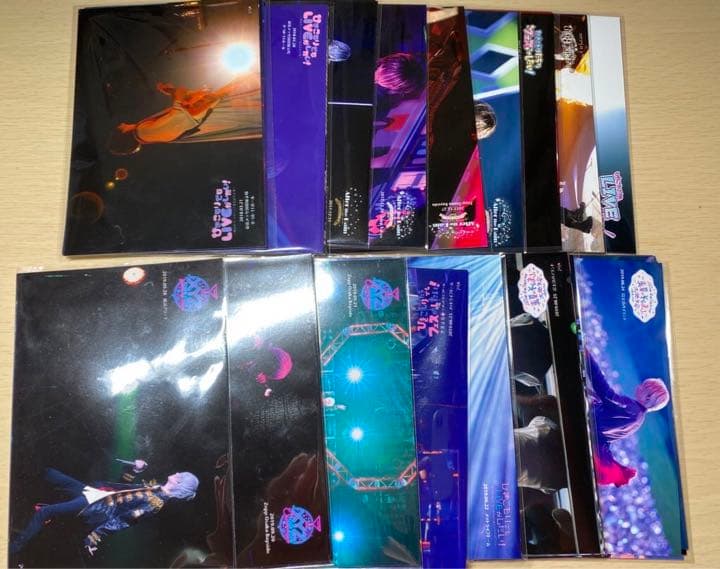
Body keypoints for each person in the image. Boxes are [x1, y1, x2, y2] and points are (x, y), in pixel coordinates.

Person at [10, 460, 199, 557]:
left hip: (96, 505)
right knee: (50, 473)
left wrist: (94, 537)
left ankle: (14, 548)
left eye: (179, 475)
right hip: (97, 493)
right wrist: (134, 470)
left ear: (179, 483)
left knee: (46, 512)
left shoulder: (155, 503)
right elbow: (122, 486)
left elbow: (122, 521)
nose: (176, 473)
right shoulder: (156, 487)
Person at [109, 76, 261, 154]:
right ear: (123, 132)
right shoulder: (143, 132)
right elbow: (182, 116)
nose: (122, 123)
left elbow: (178, 115)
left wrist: (173, 92)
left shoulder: (145, 133)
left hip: (210, 110)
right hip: (212, 111)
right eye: (120, 127)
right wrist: (177, 94)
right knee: (254, 93)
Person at [585, 352, 670, 486]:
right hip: (595, 440)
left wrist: (588, 358)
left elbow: (606, 393)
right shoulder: (639, 419)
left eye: (643, 386)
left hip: (589, 434)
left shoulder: (632, 409)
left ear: (647, 397)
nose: (638, 386)